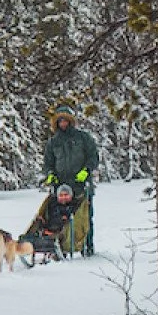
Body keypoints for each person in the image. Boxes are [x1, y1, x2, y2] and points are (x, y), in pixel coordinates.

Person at [41, 102, 99, 256]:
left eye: (65, 120)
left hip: (81, 185)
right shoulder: (53, 142)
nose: (63, 123)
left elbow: (93, 157)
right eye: (60, 121)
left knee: (84, 217)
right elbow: (47, 163)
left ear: (70, 121)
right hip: (61, 187)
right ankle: (60, 246)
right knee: (58, 217)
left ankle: (88, 247)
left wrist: (86, 171)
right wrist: (50, 174)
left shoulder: (83, 138)